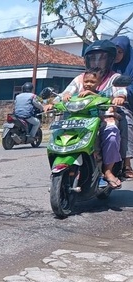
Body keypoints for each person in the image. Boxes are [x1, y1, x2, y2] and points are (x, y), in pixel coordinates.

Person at [45, 40, 128, 189]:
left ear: (110, 59)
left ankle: (108, 171)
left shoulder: (114, 77)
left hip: (104, 117)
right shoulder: (81, 78)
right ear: (87, 60)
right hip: (79, 118)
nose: (97, 61)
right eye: (93, 57)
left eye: (101, 57)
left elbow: (121, 92)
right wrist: (53, 102)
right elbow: (66, 93)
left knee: (112, 132)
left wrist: (119, 98)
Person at [112, 36, 133, 179]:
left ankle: (127, 164)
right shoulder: (106, 63)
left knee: (127, 123)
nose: (117, 55)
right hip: (106, 102)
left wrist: (123, 95)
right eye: (114, 52)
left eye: (120, 52)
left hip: (127, 102)